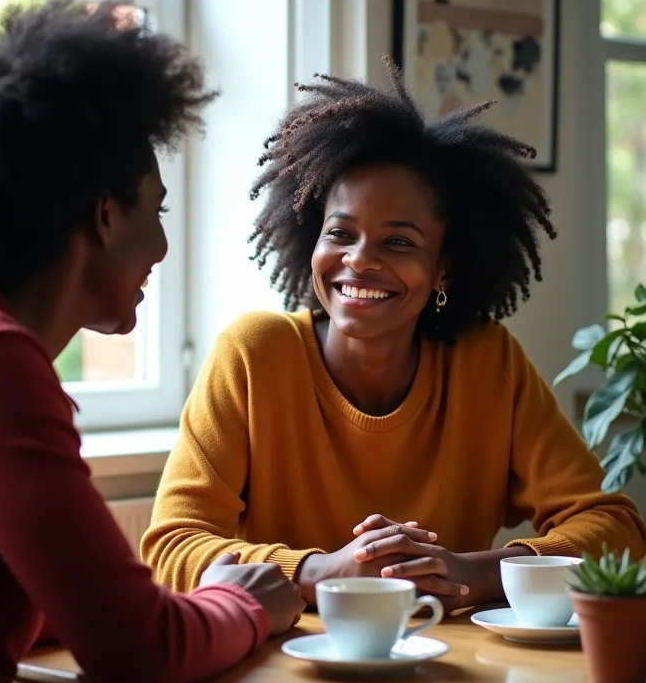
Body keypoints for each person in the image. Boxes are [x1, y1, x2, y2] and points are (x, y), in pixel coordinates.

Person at [0, 0, 303, 683]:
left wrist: (182, 607)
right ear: (105, 216)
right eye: (156, 211)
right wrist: (246, 603)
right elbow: (138, 655)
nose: (163, 248)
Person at [141, 57, 646, 609]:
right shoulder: (254, 354)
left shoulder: (487, 363)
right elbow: (171, 548)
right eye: (341, 233)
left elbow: (616, 529)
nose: (360, 262)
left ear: (443, 269)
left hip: (451, 668)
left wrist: (467, 574)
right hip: (283, 669)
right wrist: (324, 570)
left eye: (398, 242)